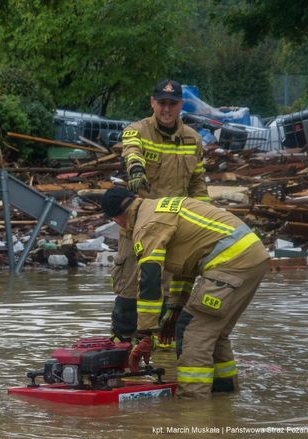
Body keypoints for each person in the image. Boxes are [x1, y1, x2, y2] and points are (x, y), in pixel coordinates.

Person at [102, 187, 269, 398]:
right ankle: (224, 397)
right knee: (215, 334)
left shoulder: (147, 226)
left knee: (192, 332)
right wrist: (175, 307)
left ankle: (192, 405)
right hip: (251, 258)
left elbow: (150, 281)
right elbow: (186, 266)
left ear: (117, 220)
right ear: (135, 198)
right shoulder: (158, 207)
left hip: (231, 263)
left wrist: (145, 333)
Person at [110, 79, 211, 343]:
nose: (167, 109)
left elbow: (197, 184)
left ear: (181, 105)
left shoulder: (193, 139)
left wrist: (205, 220)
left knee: (168, 292)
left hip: (174, 229)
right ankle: (122, 344)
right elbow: (132, 151)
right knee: (130, 289)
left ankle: (156, 353)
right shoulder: (136, 130)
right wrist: (135, 170)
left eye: (172, 104)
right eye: (162, 103)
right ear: (152, 102)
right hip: (139, 225)